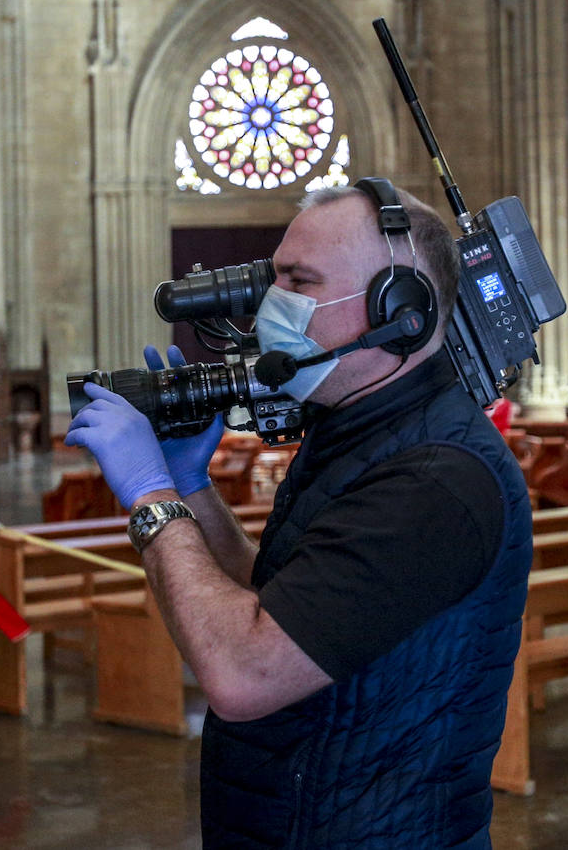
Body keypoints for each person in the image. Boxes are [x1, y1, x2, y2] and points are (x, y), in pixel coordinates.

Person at [65, 181, 533, 848]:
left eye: (298, 280)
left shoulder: (437, 480)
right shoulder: (360, 430)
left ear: (397, 309)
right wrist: (189, 485)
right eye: (274, 276)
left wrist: (150, 496)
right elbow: (278, 606)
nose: (269, 304)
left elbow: (243, 672)